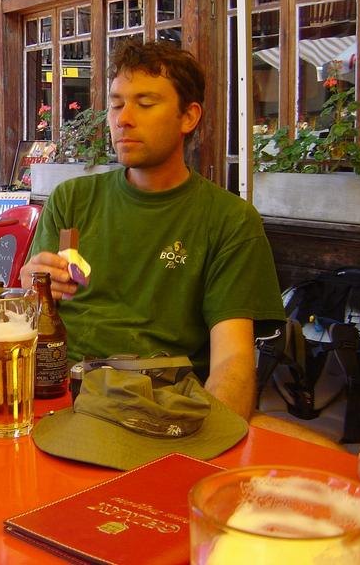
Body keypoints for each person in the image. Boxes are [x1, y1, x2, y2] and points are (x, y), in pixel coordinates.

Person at [20, 40, 339, 448]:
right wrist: (31, 294)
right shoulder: (72, 200)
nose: (123, 120)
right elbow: (32, 325)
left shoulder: (228, 219)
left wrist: (206, 442)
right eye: (116, 105)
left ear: (189, 116)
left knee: (329, 461)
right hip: (63, 398)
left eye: (145, 104)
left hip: (165, 407)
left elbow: (232, 360)